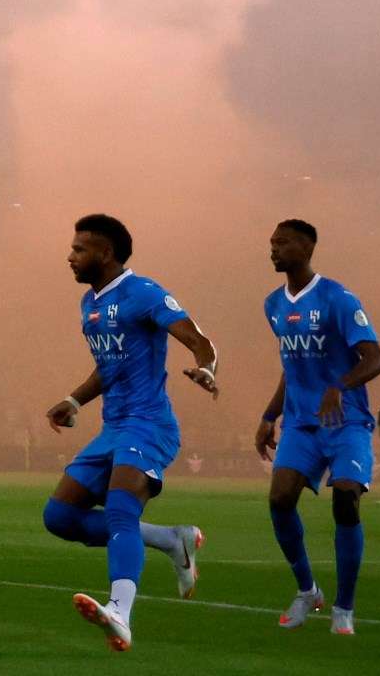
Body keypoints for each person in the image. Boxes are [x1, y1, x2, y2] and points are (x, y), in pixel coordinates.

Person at [43, 214, 217, 652]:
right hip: (113, 429)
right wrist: (75, 400)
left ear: (105, 252)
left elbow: (199, 340)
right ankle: (169, 539)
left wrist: (206, 368)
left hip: (149, 424)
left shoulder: (144, 293)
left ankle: (120, 611)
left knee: (121, 509)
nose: (71, 256)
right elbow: (110, 366)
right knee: (59, 518)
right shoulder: (90, 303)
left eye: (79, 249)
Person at [255, 219, 380, 635]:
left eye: (283, 242)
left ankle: (343, 607)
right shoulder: (273, 303)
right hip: (300, 422)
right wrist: (268, 415)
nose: (273, 249)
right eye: (271, 243)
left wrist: (339, 386)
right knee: (279, 499)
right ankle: (308, 590)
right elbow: (290, 367)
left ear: (307, 247)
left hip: (345, 421)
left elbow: (375, 359)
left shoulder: (338, 298)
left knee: (346, 500)